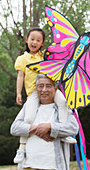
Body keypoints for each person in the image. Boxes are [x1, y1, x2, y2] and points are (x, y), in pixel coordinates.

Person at [14, 28, 76, 165]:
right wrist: (19, 93)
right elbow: (20, 76)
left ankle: (65, 133)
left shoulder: (44, 56)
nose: (34, 42)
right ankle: (22, 148)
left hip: (49, 89)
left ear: (42, 43)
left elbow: (57, 64)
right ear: (26, 40)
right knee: (28, 117)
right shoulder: (22, 59)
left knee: (63, 102)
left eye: (38, 40)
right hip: (34, 92)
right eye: (32, 39)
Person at [11, 74, 79, 170]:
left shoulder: (65, 107)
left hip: (54, 166)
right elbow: (14, 128)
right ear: (36, 88)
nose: (44, 90)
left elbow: (73, 128)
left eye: (48, 86)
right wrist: (35, 129)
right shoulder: (29, 106)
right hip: (28, 165)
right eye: (40, 86)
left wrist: (50, 127)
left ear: (55, 89)